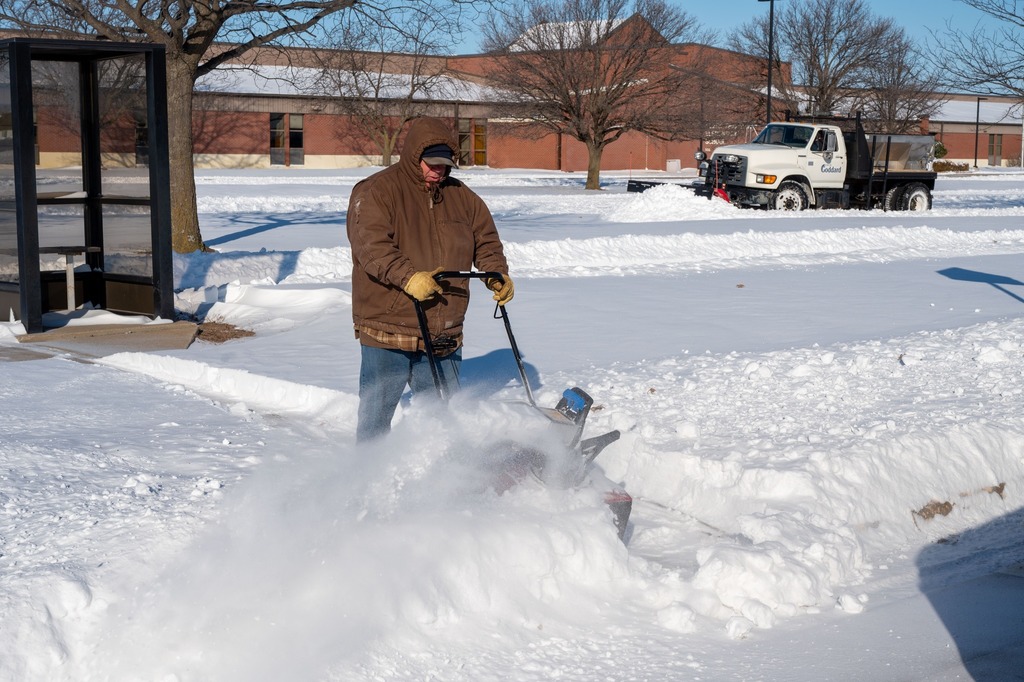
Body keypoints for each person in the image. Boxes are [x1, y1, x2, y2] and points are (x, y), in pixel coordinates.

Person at [347, 117, 514, 442]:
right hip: (389, 329)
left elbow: (486, 239)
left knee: (441, 423)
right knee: (375, 422)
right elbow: (370, 246)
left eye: (445, 164)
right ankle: (365, 483)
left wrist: (496, 273)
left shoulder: (462, 197)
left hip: (444, 331)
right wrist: (408, 278)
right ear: (414, 155)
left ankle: (437, 486)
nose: (439, 171)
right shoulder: (377, 191)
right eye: (432, 163)